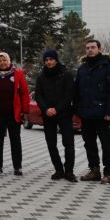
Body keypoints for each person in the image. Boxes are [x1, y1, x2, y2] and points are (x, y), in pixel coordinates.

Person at [74, 39, 110, 184]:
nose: (90, 50)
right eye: (87, 48)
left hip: (103, 114)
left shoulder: (108, 67)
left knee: (107, 144)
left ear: (99, 49)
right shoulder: (82, 68)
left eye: (93, 47)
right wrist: (77, 109)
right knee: (89, 144)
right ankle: (94, 170)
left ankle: (109, 173)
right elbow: (77, 90)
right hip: (86, 114)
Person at [35, 50, 77, 182]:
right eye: (46, 60)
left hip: (64, 114)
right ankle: (58, 169)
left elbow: (69, 94)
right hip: (48, 115)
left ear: (56, 60)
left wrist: (56, 109)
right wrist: (46, 109)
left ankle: (69, 171)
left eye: (51, 59)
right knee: (51, 143)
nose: (48, 62)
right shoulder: (41, 76)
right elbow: (38, 95)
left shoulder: (66, 74)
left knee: (68, 143)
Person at [0, 52, 30, 176]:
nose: (2, 63)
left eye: (4, 60)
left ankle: (17, 167)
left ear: (9, 60)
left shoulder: (18, 74)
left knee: (15, 141)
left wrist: (25, 111)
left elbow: (24, 93)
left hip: (14, 114)